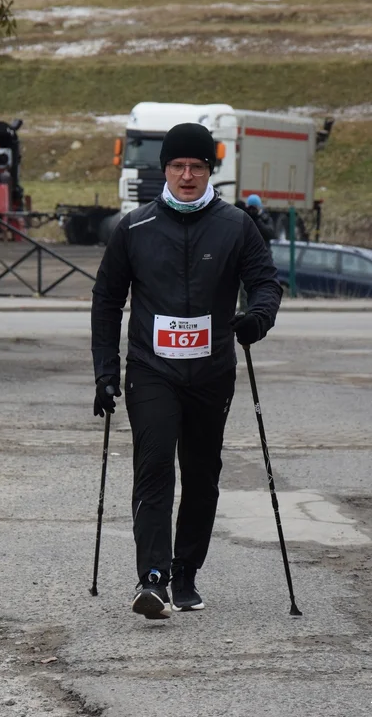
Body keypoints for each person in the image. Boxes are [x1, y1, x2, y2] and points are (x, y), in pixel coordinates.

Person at [90, 122, 282, 620]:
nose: (187, 175)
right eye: (178, 166)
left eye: (197, 167)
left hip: (211, 371)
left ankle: (184, 575)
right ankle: (151, 579)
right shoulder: (134, 228)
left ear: (210, 170)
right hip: (151, 371)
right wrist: (104, 371)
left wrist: (256, 319)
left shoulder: (236, 225)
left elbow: (266, 283)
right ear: (165, 171)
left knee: (201, 476)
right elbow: (107, 300)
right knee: (154, 469)